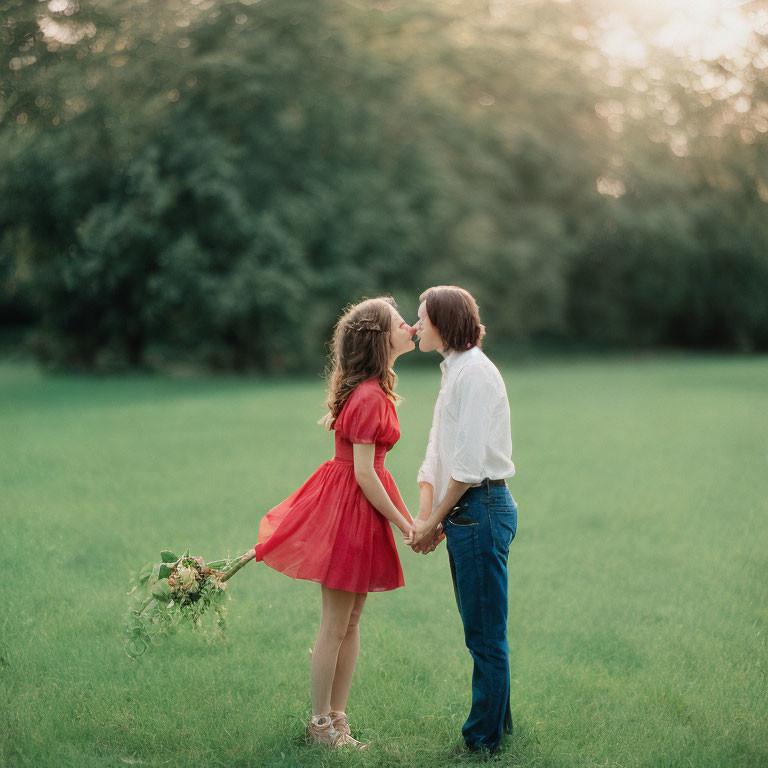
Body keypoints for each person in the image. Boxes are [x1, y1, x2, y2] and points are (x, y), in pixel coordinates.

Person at [251, 296, 415, 749]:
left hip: (358, 508)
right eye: (402, 323)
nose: (411, 327)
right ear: (381, 338)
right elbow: (363, 472)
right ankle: (320, 725)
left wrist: (404, 518)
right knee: (335, 624)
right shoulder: (367, 396)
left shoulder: (375, 390)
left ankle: (337, 718)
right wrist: (404, 523)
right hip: (349, 509)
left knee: (351, 621)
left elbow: (374, 470)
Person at [407, 285, 518, 754]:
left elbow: (469, 468)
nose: (414, 327)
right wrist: (427, 514)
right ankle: (499, 729)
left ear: (444, 322)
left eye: (421, 318)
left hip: (482, 509)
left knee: (485, 636)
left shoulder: (474, 375)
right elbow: (438, 449)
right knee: (484, 631)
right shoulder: (453, 372)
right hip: (465, 510)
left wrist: (434, 523)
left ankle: (482, 743)